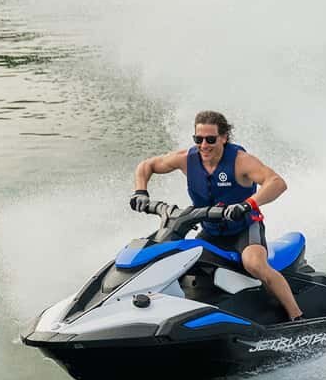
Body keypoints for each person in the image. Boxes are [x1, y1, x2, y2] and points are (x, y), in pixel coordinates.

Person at [129, 110, 303, 321]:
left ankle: (297, 316)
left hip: (244, 229)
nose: (204, 145)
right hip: (210, 231)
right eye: (198, 139)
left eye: (210, 139)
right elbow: (146, 165)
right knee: (175, 260)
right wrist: (141, 191)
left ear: (224, 138)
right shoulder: (186, 159)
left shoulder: (241, 161)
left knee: (254, 264)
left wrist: (247, 204)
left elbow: (277, 183)